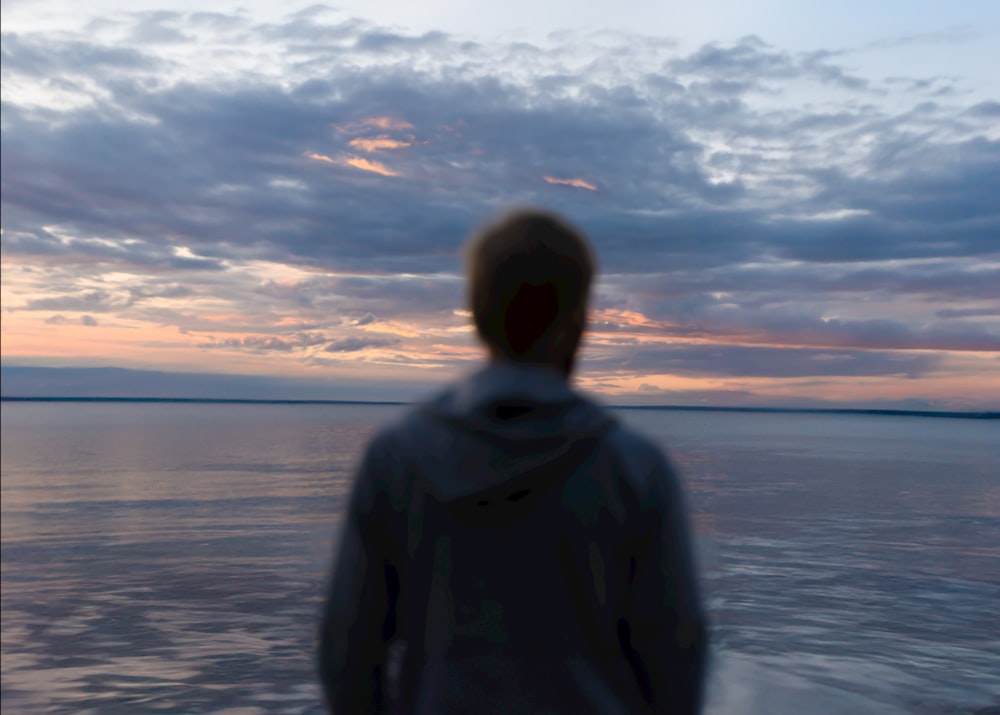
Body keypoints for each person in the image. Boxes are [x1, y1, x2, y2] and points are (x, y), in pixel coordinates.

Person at [317, 209, 707, 714]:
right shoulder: (634, 468)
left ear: (477, 313)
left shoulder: (396, 460)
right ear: (579, 318)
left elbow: (348, 650)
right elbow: (675, 656)